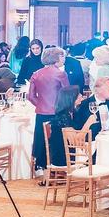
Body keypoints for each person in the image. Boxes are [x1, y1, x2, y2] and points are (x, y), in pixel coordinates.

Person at [27, 46, 69, 178]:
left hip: (41, 113)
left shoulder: (36, 74)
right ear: (56, 58)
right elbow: (67, 95)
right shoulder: (61, 74)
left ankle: (45, 173)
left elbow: (30, 96)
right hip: (58, 114)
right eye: (62, 56)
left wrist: (41, 104)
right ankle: (59, 171)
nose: (64, 58)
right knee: (58, 144)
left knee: (43, 142)